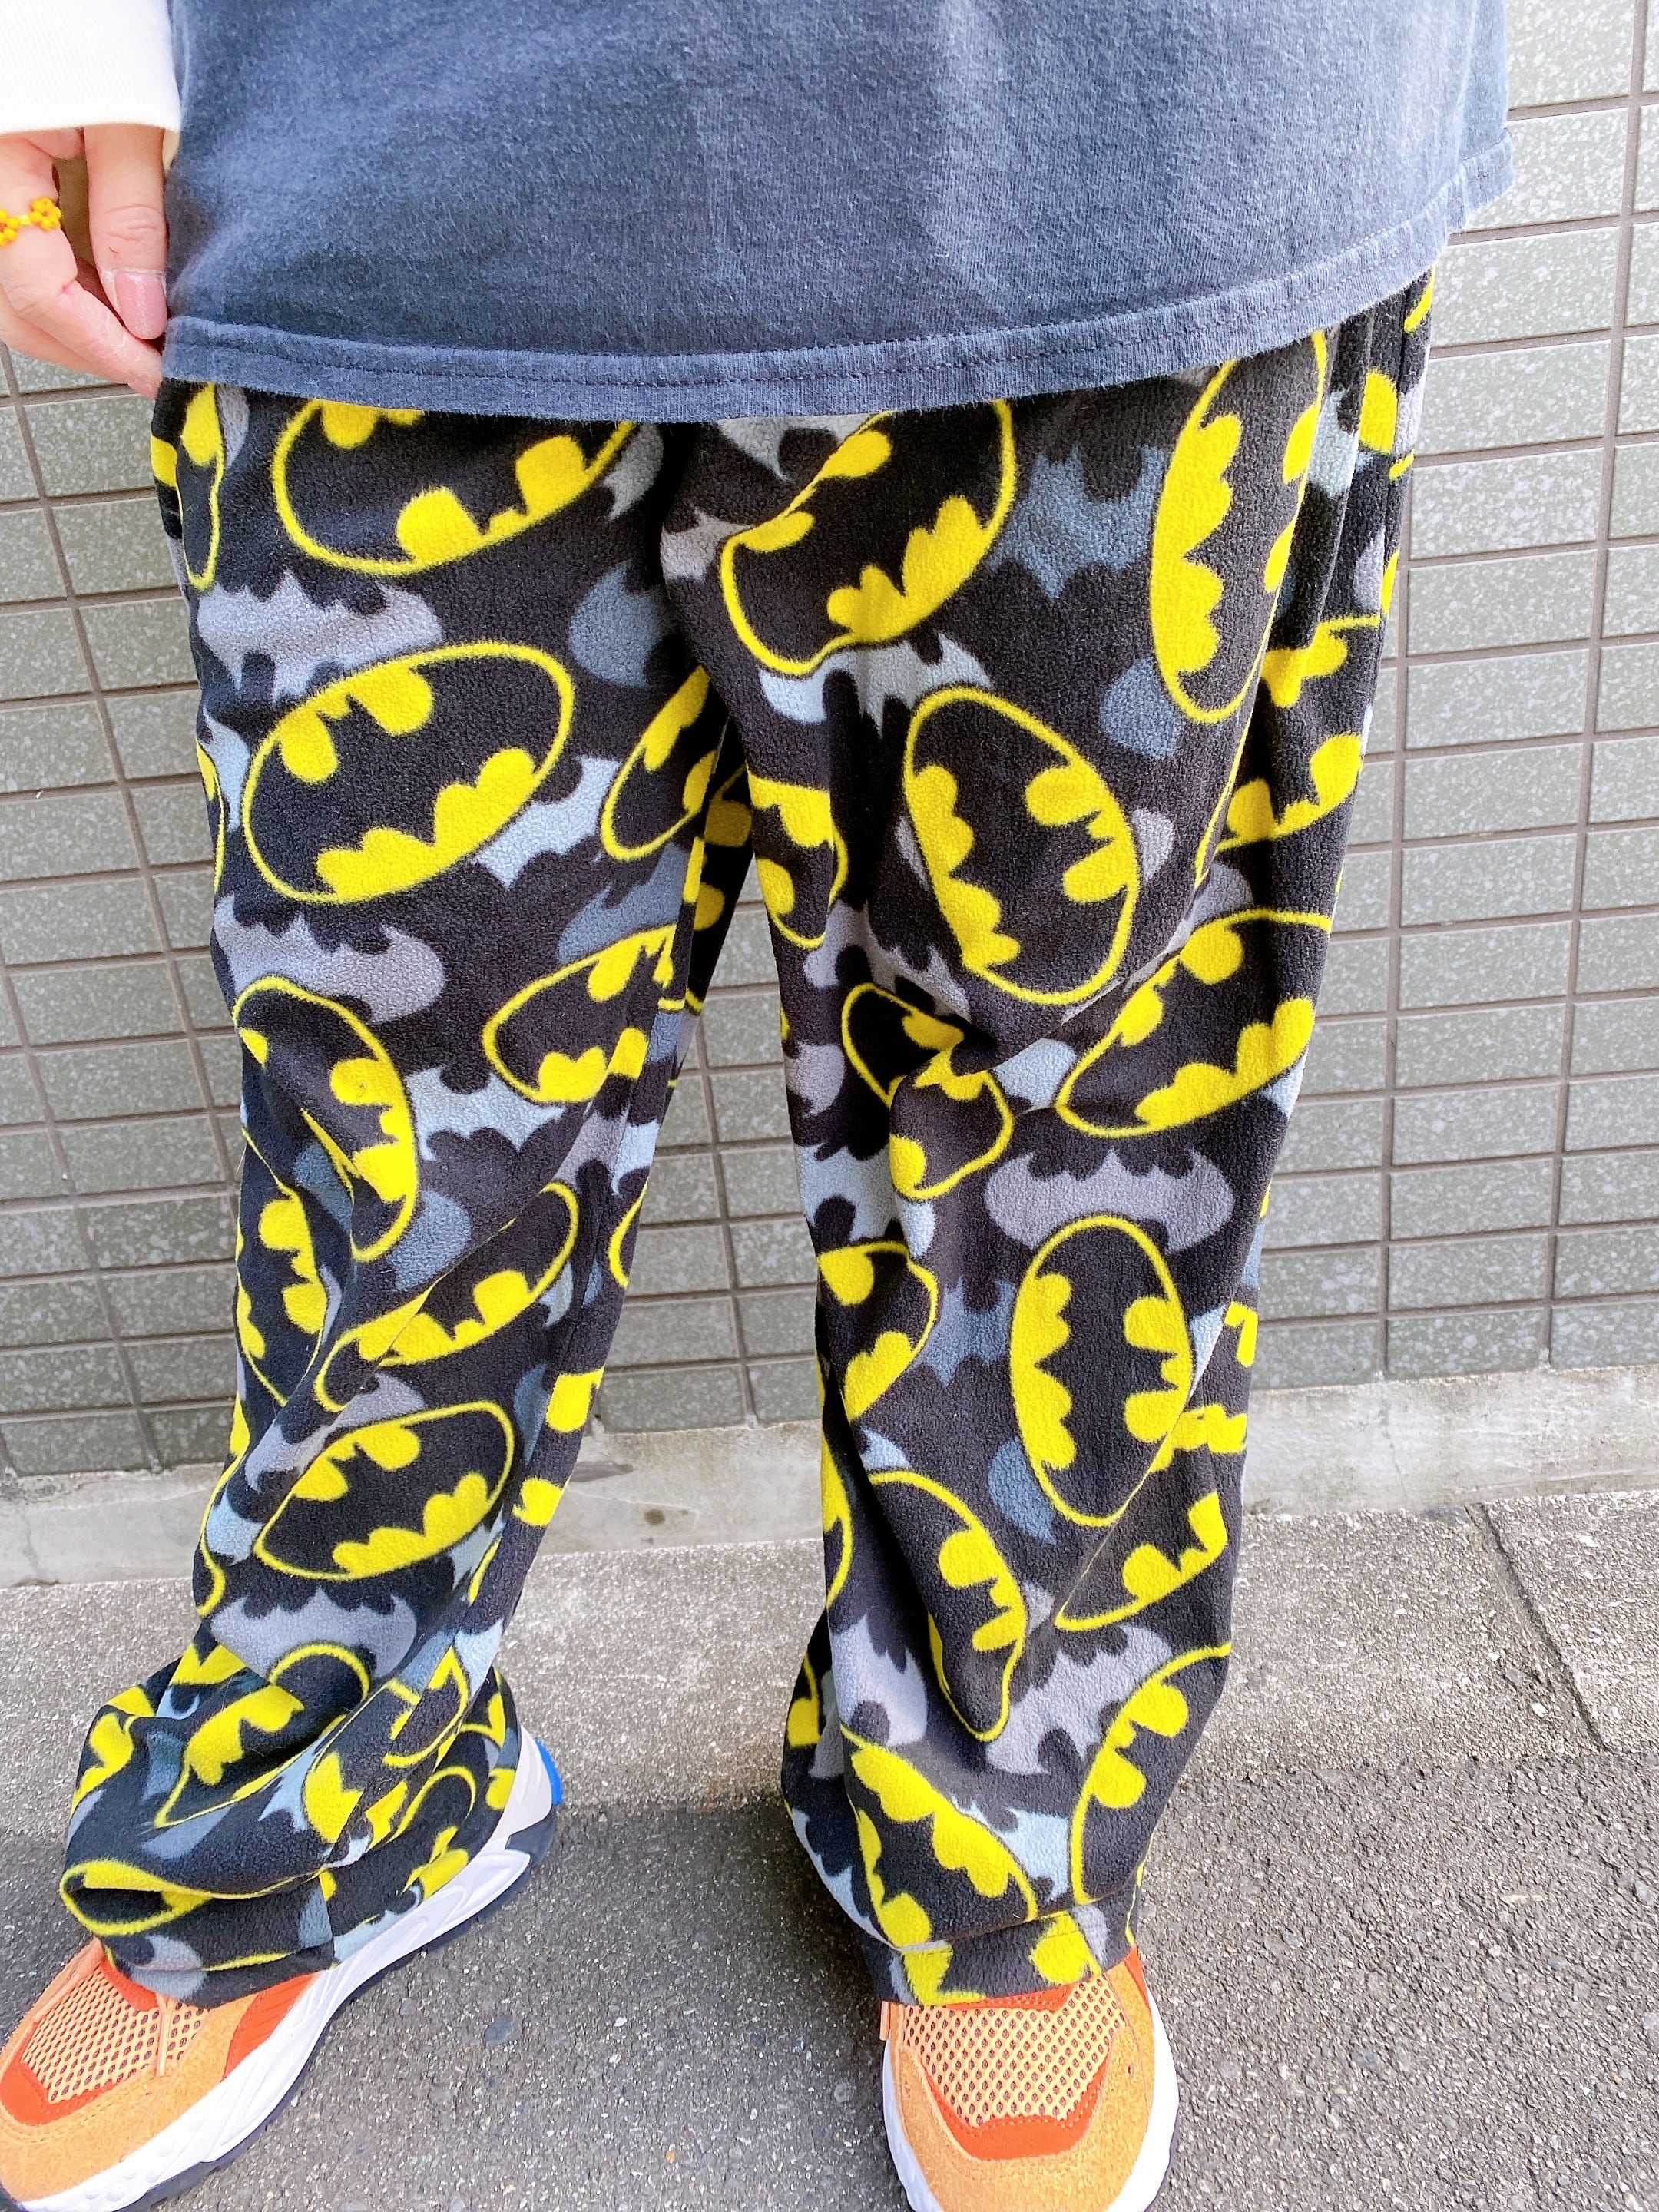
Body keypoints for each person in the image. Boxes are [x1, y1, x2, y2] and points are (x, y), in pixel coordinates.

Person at [0, 4, 1508, 2207]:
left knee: (1065, 1147)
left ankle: (992, 1838)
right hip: (374, 149)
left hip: (1132, 145)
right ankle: (325, 1794)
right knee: (397, 1151)